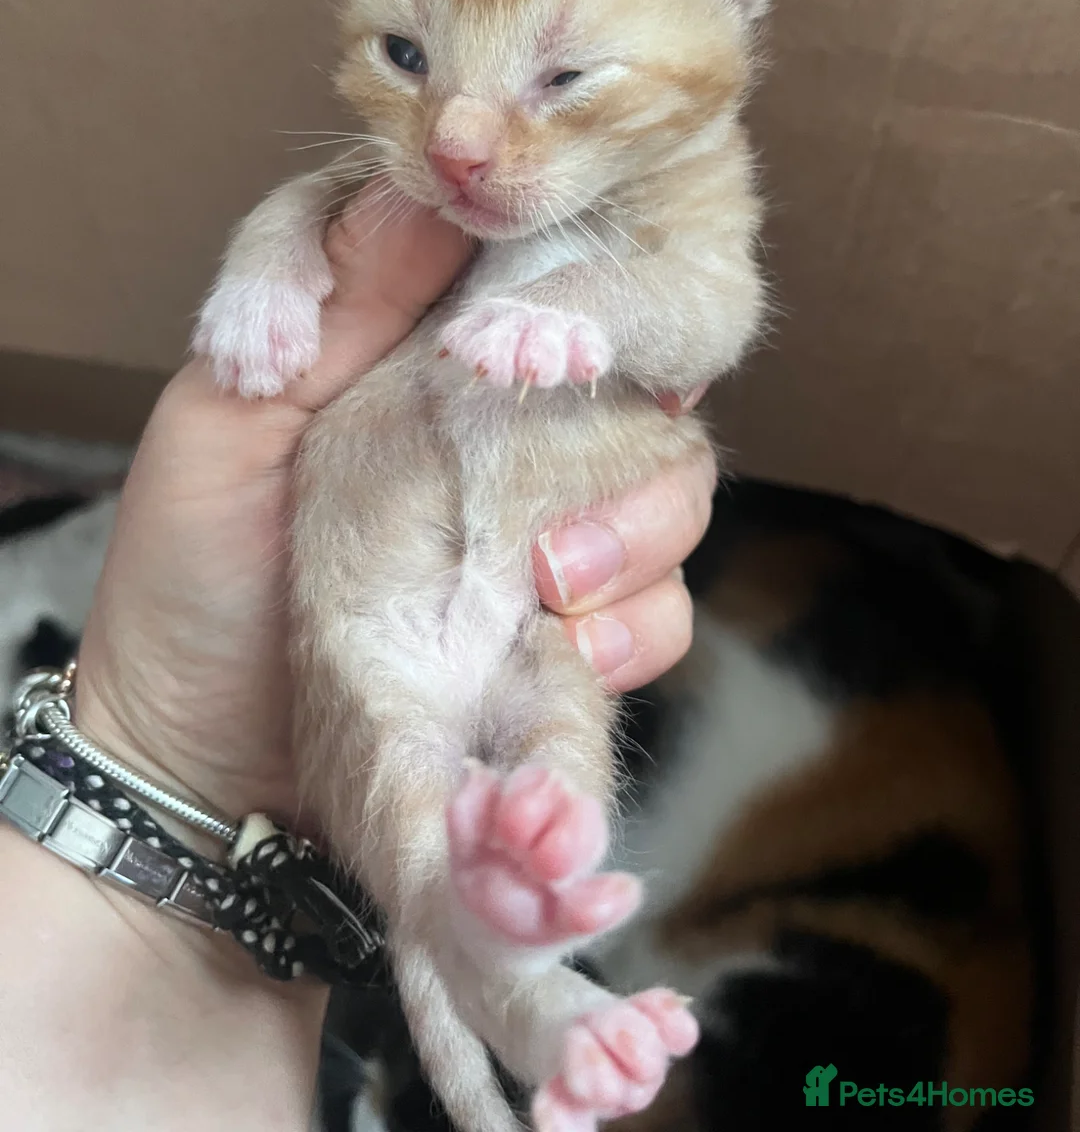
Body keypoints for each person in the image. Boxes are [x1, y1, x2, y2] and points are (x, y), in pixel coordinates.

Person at [0, 198, 715, 1131]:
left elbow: (710, 320)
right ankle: (526, 985)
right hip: (379, 595)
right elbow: (310, 217)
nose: (464, 142)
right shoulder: (413, 197)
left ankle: (542, 1002)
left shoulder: (683, 183)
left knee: (542, 775)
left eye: (569, 77)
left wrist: (610, 309)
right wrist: (271, 270)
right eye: (404, 54)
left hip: (515, 609)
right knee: (448, 847)